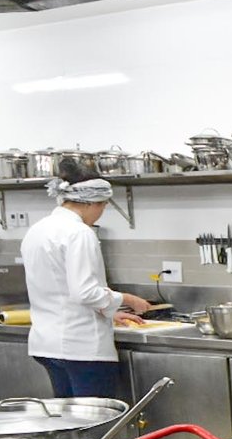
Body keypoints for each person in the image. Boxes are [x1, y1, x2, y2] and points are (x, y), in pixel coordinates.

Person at [20, 157, 152, 398]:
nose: (100, 214)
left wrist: (109, 311)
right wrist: (128, 299)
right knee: (96, 423)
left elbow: (59, 289)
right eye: (103, 207)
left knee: (70, 423)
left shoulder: (38, 230)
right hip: (81, 348)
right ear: (93, 203)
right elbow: (84, 291)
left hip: (46, 344)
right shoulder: (79, 233)